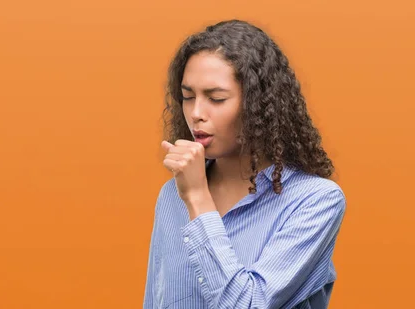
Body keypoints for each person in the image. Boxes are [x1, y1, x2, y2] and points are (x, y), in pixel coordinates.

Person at [143, 20, 347, 309]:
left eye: (216, 98)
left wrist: (199, 199)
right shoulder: (172, 196)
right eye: (188, 97)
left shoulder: (315, 201)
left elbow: (248, 304)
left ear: (259, 104)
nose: (196, 113)